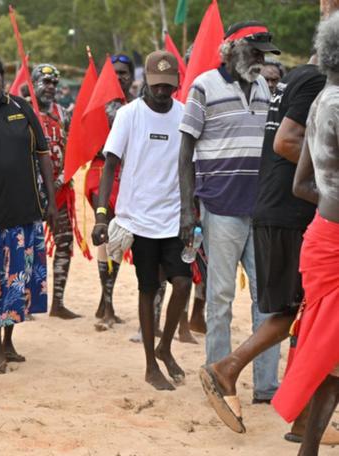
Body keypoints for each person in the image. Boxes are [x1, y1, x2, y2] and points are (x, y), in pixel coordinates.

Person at [199, 49, 339, 443]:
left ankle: (303, 417)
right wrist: (332, 191)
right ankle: (228, 367)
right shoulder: (320, 85)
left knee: (305, 313)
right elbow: (286, 141)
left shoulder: (301, 78)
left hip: (286, 206)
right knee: (299, 310)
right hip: (294, 211)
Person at [179, 21, 281, 409]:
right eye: (255, 52)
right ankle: (215, 377)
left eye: (263, 54)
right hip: (219, 206)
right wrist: (188, 210)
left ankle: (266, 385)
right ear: (232, 50)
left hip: (260, 209)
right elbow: (184, 150)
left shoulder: (263, 88)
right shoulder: (204, 86)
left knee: (267, 300)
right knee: (219, 298)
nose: (261, 60)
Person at [93, 51, 191, 390]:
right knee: (148, 289)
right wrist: (102, 215)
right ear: (145, 83)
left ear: (177, 84)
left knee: (182, 283)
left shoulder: (184, 114)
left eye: (168, 86)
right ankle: (151, 364)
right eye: (156, 85)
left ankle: (164, 347)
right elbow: (109, 165)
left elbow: (188, 166)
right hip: (140, 219)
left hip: (174, 217)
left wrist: (191, 212)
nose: (163, 92)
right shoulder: (128, 115)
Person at [0, 51, 57, 374]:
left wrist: (52, 199)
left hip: (25, 212)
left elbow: (43, 153)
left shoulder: (21, 107)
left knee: (19, 281)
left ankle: (9, 342)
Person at [273, 13, 339, 455]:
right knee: (328, 355)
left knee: (332, 358)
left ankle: (308, 449)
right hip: (334, 243)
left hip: (324, 235)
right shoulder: (335, 105)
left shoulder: (322, 100)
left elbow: (302, 185)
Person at [84, 53, 136, 329]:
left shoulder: (137, 106)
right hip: (102, 177)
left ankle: (106, 303)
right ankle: (107, 304)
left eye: (124, 73)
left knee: (119, 239)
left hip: (129, 178)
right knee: (106, 239)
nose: (119, 78)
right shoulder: (99, 108)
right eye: (114, 73)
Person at [32, 63, 82, 320]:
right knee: (30, 246)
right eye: (45, 81)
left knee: (64, 243)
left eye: (54, 83)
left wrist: (63, 177)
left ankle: (58, 302)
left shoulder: (63, 113)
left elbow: (74, 146)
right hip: (30, 191)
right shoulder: (25, 111)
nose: (50, 87)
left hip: (60, 190)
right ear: (34, 82)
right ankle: (27, 302)